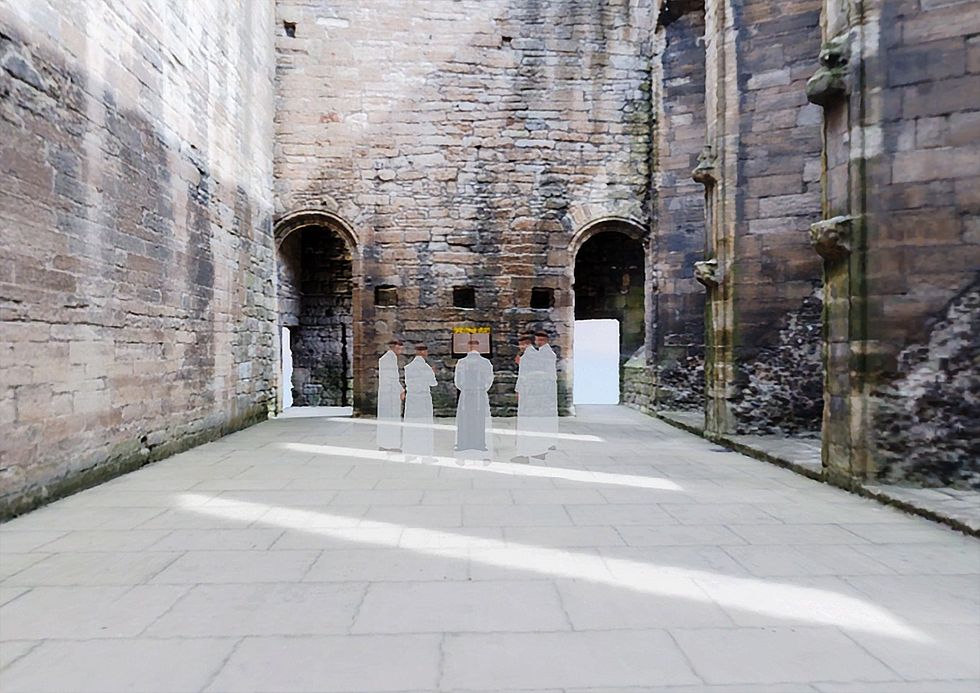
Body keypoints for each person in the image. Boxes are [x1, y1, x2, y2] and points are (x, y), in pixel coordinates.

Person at [454, 337, 494, 460]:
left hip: (466, 393)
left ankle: (463, 443)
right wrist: (482, 389)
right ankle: (479, 443)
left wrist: (465, 389)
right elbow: (489, 379)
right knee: (479, 417)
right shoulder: (485, 362)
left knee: (465, 417)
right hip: (479, 394)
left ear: (468, 347)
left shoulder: (461, 362)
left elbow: (457, 380)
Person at [403, 344, 437, 460]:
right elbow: (433, 383)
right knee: (425, 425)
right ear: (423, 352)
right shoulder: (426, 368)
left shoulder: (408, 367)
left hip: (412, 397)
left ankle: (410, 453)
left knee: (411, 424)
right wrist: (432, 372)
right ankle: (426, 454)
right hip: (423, 397)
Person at [513, 334, 543, 461]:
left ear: (525, 344)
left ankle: (526, 453)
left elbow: (523, 376)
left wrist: (518, 390)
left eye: (521, 345)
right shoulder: (537, 355)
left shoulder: (526, 358)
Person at [376, 339, 404, 451]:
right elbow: (392, 378)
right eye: (399, 347)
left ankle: (385, 443)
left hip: (387, 392)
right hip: (390, 393)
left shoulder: (387, 358)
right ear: (395, 347)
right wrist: (401, 390)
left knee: (386, 418)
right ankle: (391, 444)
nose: (401, 350)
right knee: (392, 418)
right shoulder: (389, 359)